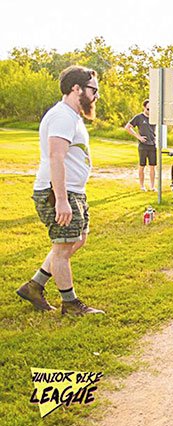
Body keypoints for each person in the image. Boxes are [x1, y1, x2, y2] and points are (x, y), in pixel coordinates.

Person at [16, 65, 104, 315]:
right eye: (93, 90)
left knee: (77, 239)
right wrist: (62, 200)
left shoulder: (72, 116)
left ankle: (34, 286)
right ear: (76, 89)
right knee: (64, 247)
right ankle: (71, 304)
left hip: (73, 190)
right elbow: (56, 156)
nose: (96, 95)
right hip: (57, 192)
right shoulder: (62, 116)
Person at [125, 99, 157, 192]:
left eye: (151, 109)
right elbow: (127, 127)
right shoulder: (139, 117)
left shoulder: (154, 118)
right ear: (144, 108)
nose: (150, 111)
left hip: (152, 145)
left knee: (152, 167)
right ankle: (142, 186)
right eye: (148, 109)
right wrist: (138, 137)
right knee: (142, 166)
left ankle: (152, 186)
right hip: (143, 146)